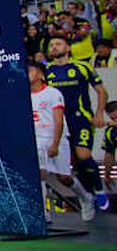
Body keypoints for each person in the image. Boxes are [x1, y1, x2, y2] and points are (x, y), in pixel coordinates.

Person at [44, 34, 109, 212]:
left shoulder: (82, 67)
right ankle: (87, 196)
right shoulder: (46, 70)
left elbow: (101, 91)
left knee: (83, 155)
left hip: (80, 118)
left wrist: (99, 114)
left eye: (58, 43)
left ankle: (99, 190)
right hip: (57, 123)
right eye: (51, 44)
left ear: (68, 48)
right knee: (70, 167)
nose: (54, 47)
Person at [29, 62, 94, 222]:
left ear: (40, 74)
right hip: (37, 139)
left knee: (64, 177)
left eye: (30, 70)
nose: (27, 73)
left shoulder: (53, 93)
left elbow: (59, 121)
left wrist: (55, 144)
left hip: (55, 138)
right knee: (39, 174)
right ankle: (43, 212)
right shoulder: (23, 95)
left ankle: (85, 198)